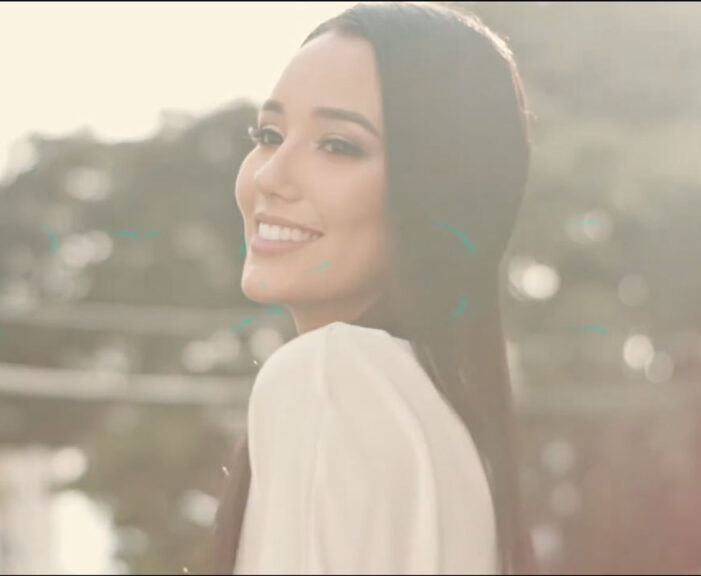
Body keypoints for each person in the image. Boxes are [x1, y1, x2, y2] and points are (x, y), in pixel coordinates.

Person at [210, 2, 537, 574]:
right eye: (268, 134)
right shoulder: (451, 431)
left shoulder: (328, 376)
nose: (268, 176)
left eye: (338, 145)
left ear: (434, 191)